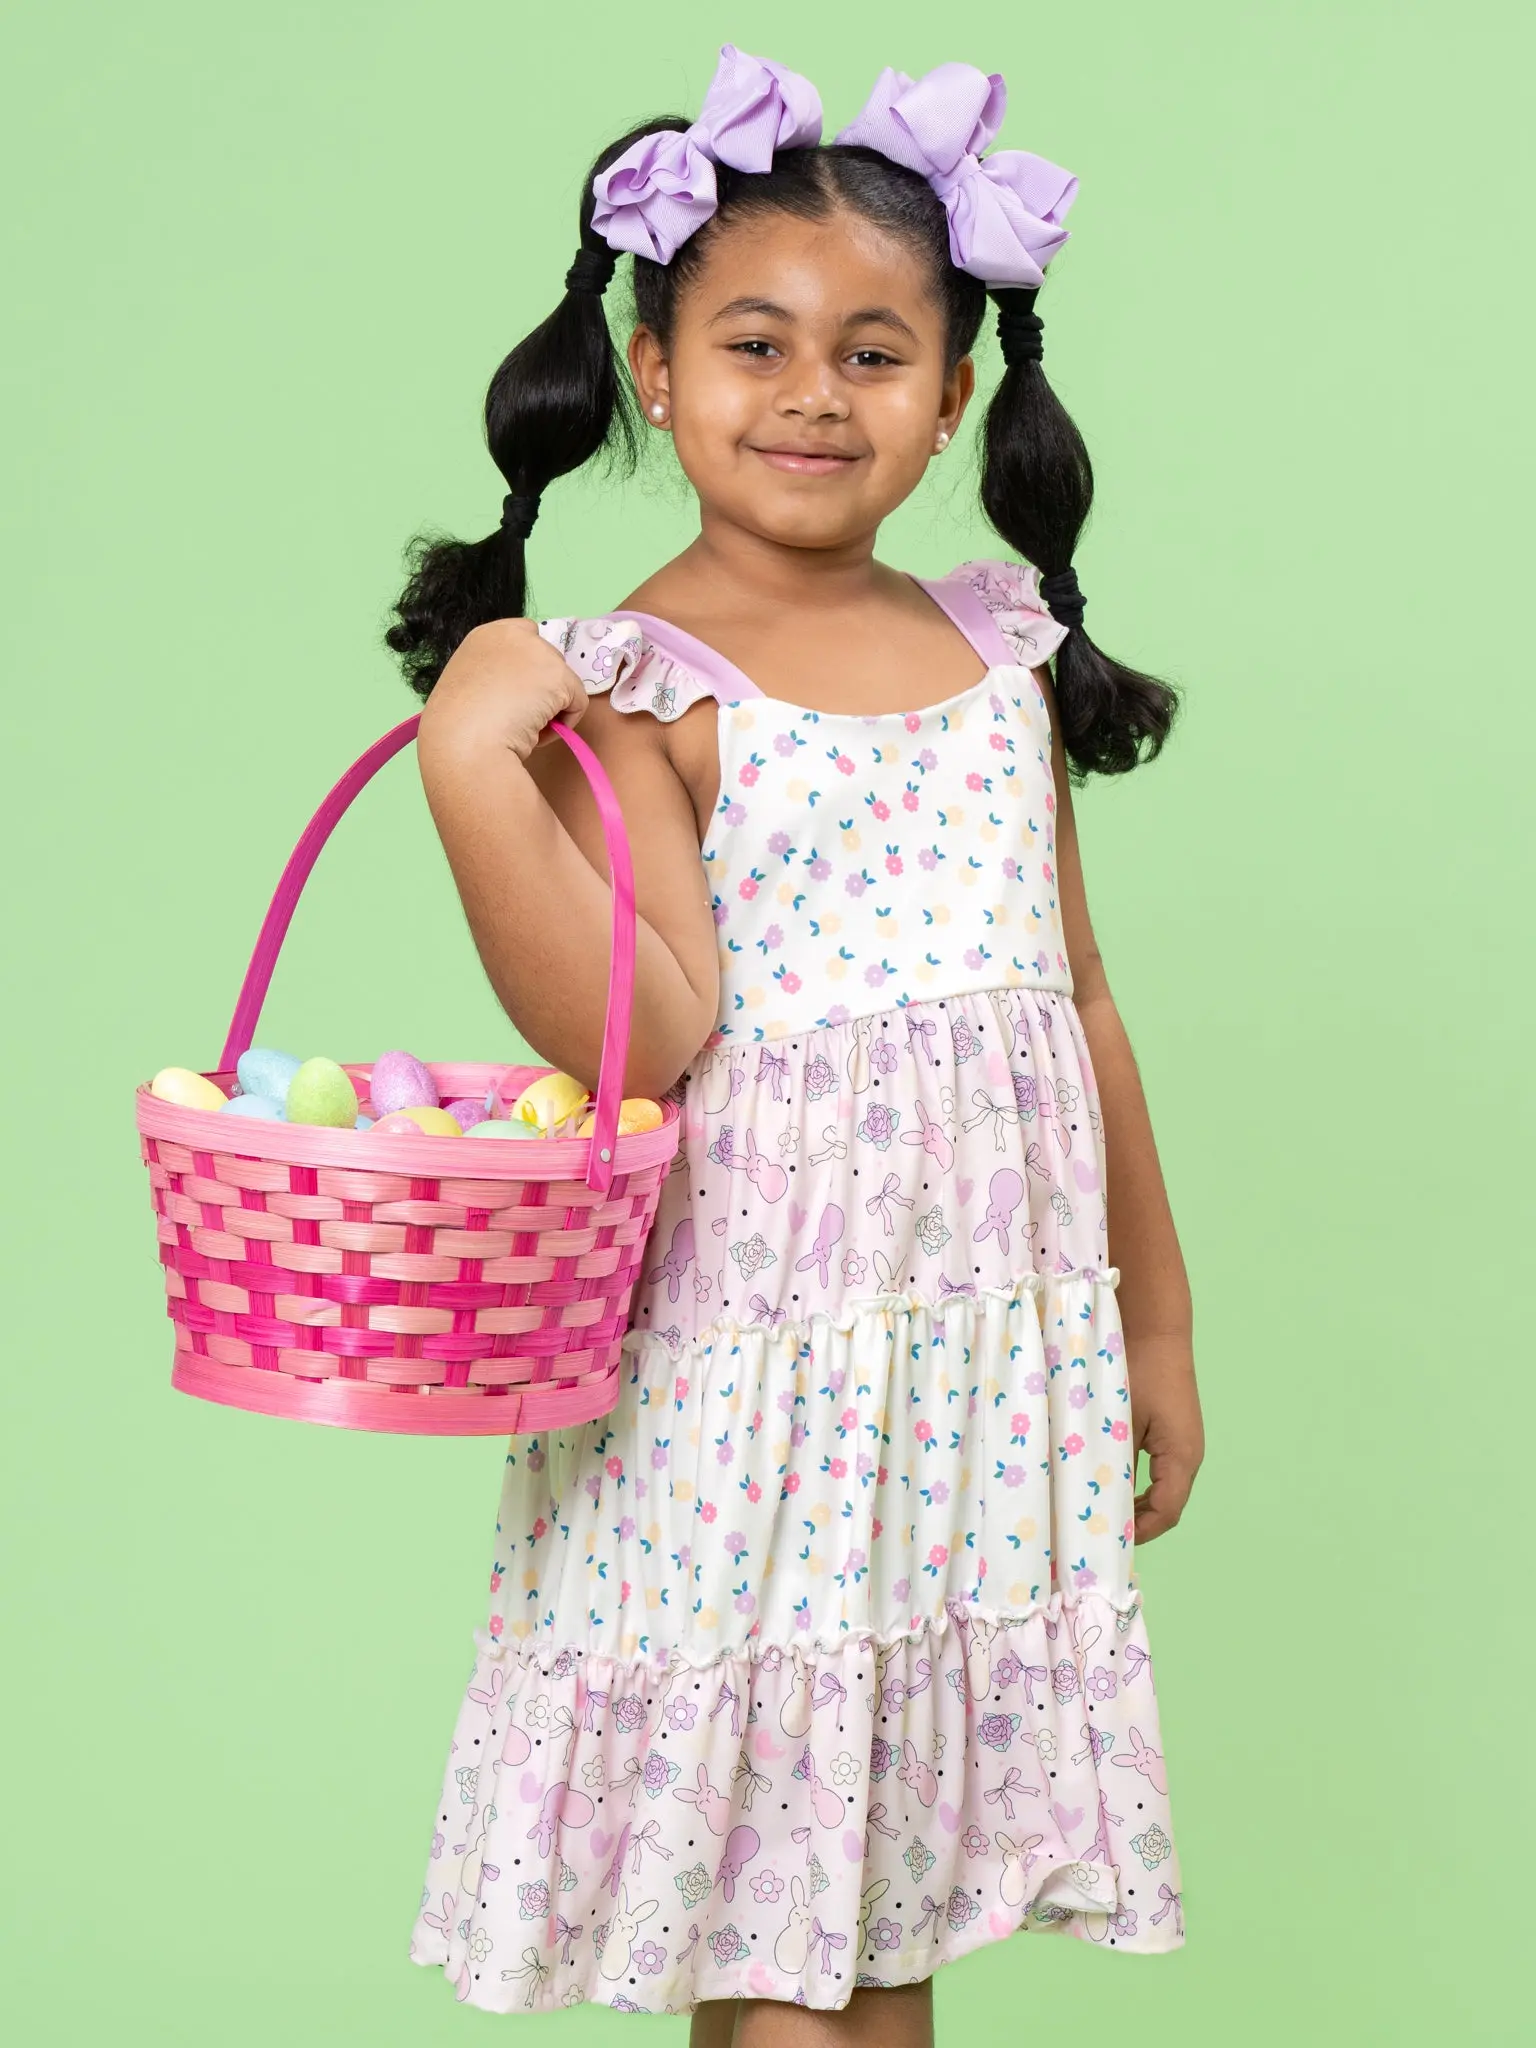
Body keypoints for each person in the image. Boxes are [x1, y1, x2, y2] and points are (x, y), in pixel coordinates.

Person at [394, 46, 1203, 2042]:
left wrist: (1160, 1326)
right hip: (751, 1379)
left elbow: (1081, 1001)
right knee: (787, 1923)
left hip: (963, 1370)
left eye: (873, 353)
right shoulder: (643, 685)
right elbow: (646, 1032)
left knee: (861, 1908)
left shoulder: (999, 654)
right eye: (755, 344)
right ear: (655, 374)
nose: (815, 394)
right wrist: (474, 766)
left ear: (954, 396)